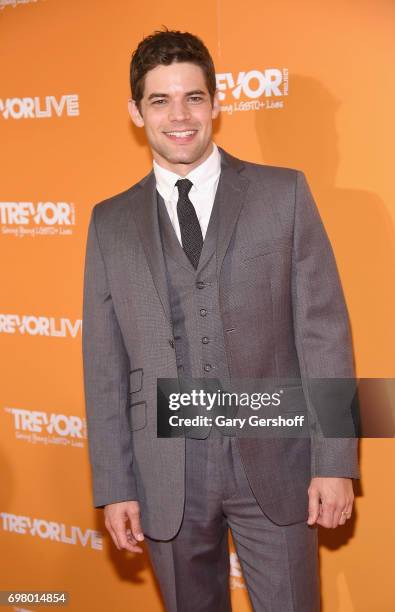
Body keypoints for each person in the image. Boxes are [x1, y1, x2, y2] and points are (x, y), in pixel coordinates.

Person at [82, 28, 359, 612]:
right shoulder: (109, 223)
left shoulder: (282, 193)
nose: (179, 116)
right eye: (160, 101)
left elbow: (323, 334)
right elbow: (105, 364)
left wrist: (334, 461)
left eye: (193, 98)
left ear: (216, 103)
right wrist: (115, 485)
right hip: (166, 472)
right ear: (136, 112)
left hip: (277, 461)